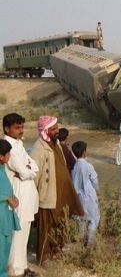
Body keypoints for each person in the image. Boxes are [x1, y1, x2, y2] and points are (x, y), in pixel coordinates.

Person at [30, 116, 84, 265]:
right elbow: (34, 174)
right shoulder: (39, 148)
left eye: (57, 128)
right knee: (46, 227)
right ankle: (43, 259)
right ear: (45, 131)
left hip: (62, 193)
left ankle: (57, 251)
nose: (57, 131)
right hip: (48, 195)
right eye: (53, 129)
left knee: (61, 223)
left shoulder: (57, 144)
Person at [2, 113, 39, 277]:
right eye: (17, 128)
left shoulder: (19, 145)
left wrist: (29, 169)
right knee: (17, 234)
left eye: (22, 127)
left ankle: (22, 267)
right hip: (18, 194)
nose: (21, 131)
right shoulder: (6, 147)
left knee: (24, 232)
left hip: (27, 193)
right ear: (6, 128)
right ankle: (15, 270)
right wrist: (28, 170)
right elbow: (24, 171)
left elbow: (34, 167)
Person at [71, 141, 100, 244]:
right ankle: (90, 242)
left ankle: (80, 240)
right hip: (89, 196)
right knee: (94, 219)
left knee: (81, 220)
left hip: (78, 197)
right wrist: (97, 190)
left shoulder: (74, 167)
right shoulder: (88, 166)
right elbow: (94, 180)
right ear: (84, 153)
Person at [0, 140, 20, 277]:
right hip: (1, 218)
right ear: (1, 156)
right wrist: (7, 198)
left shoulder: (2, 170)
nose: (10, 156)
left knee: (5, 247)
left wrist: (12, 197)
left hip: (5, 216)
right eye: (8, 154)